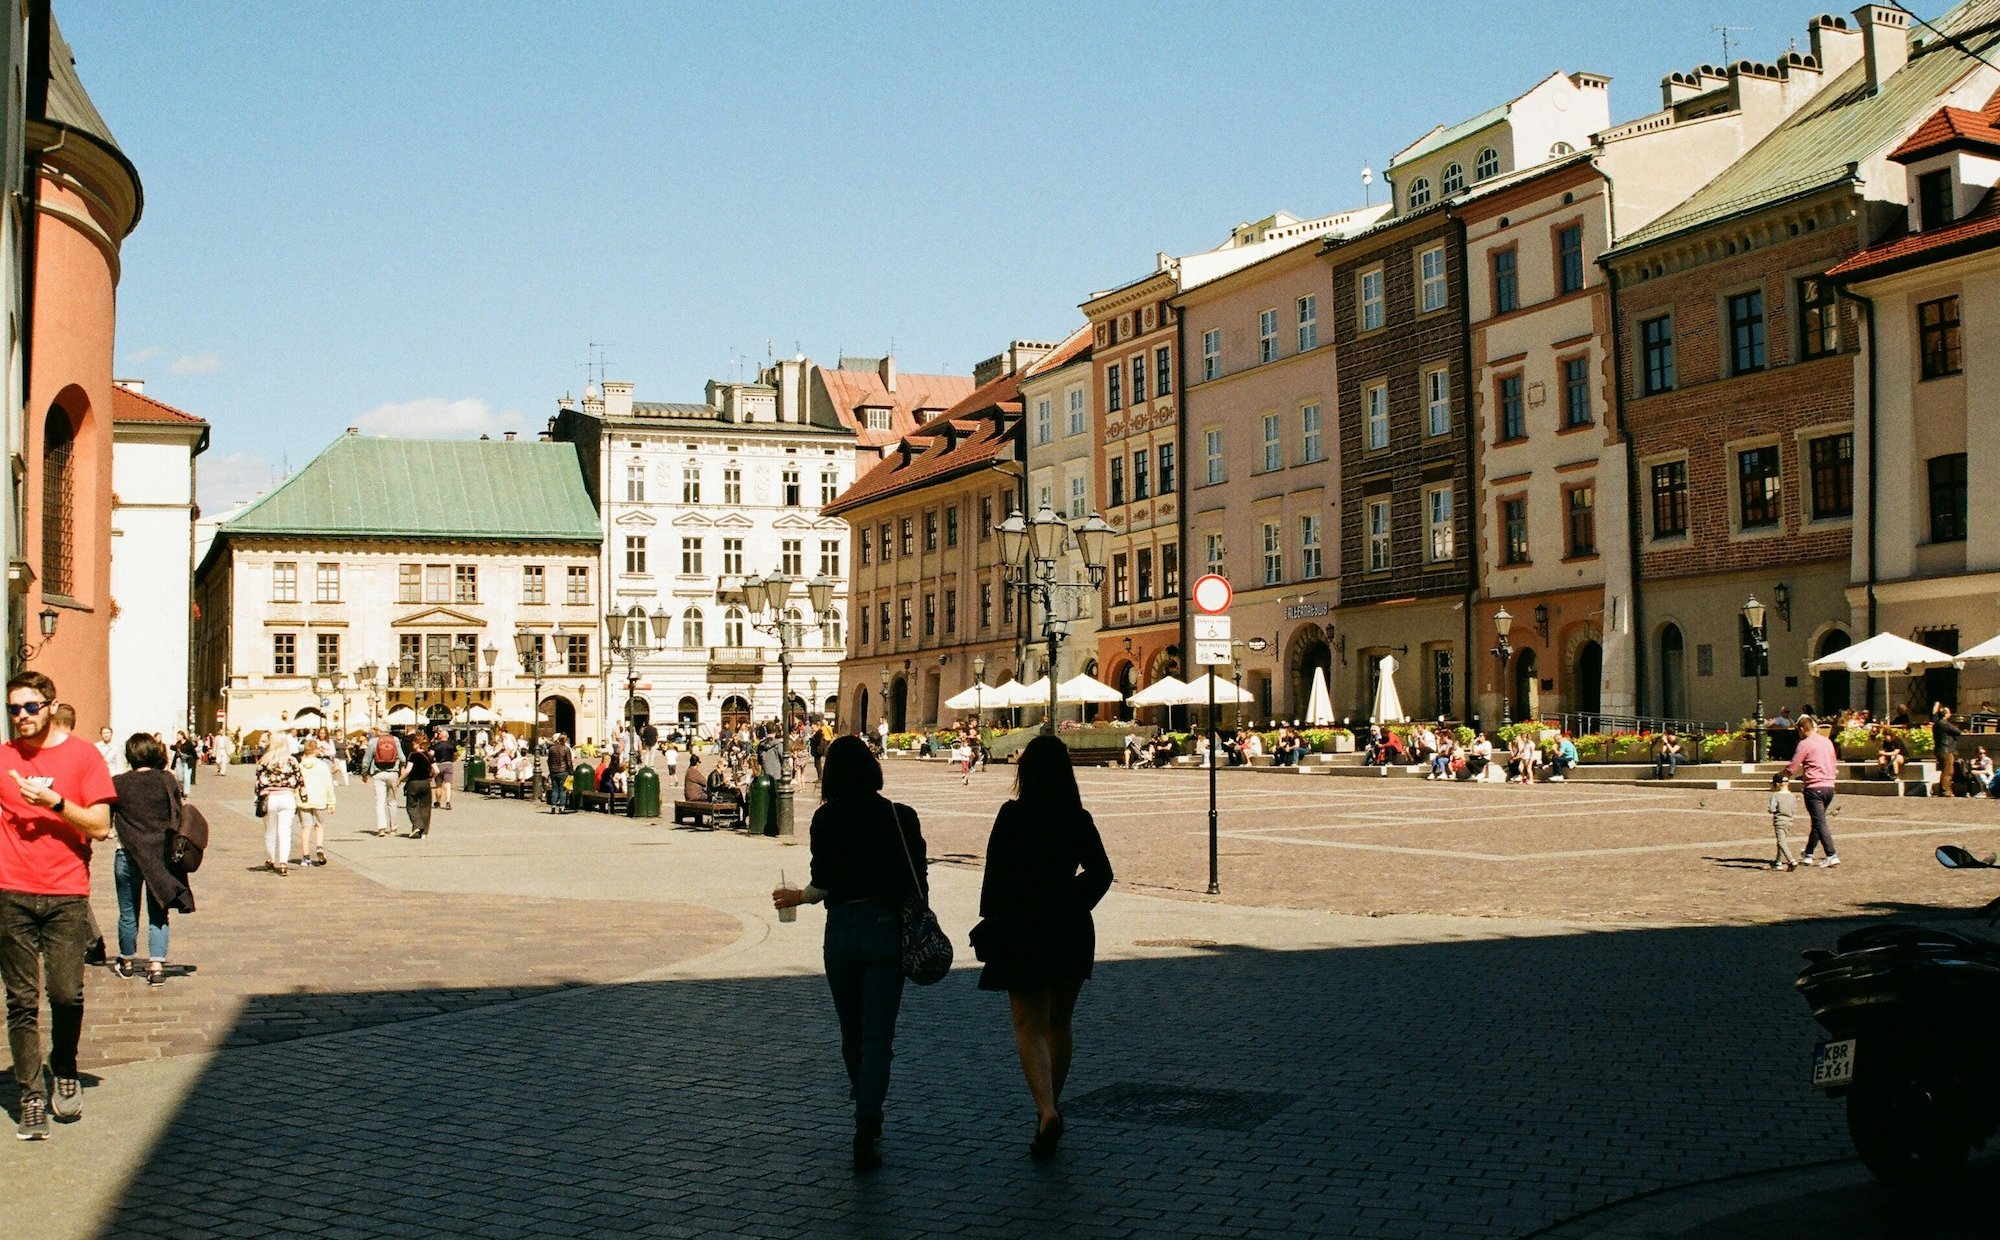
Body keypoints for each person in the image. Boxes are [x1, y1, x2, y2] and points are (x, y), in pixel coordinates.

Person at [771, 736, 929, 1173]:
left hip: (841, 932)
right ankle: (867, 1121)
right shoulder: (901, 817)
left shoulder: (826, 819)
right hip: (885, 930)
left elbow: (823, 884)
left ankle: (864, 1107)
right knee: (879, 1036)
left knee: (851, 1032)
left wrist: (796, 897)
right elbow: (919, 879)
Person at [970, 735, 1114, 1161]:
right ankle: (1051, 1106)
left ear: (1025, 772)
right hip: (1070, 930)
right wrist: (1070, 900)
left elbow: (994, 876)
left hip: (1022, 928)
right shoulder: (1077, 816)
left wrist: (994, 919)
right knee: (1060, 1023)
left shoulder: (1012, 815)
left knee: (1028, 1026)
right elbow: (1102, 873)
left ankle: (1046, 1108)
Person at [0, 670, 117, 1139]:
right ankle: (30, 1094)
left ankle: (64, 1066)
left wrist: (53, 803)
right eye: (14, 709)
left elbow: (100, 826)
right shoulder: (3, 757)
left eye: (30, 707)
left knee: (66, 994)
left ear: (50, 705)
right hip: (11, 892)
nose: (22, 717)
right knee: (21, 1000)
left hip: (67, 893)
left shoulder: (84, 756)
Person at [110, 734, 193, 984]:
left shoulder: (118, 782)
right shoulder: (166, 779)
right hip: (159, 856)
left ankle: (126, 961)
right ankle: (156, 964)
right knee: (158, 910)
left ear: (130, 755)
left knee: (127, 911)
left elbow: (107, 819)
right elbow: (177, 813)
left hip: (126, 854)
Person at [1786, 716, 1839, 868]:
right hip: (1829, 786)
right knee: (1818, 821)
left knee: (1820, 822)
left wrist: (1783, 776)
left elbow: (1793, 765)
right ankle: (1808, 854)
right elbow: (1833, 761)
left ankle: (1831, 854)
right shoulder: (1826, 741)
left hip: (1814, 787)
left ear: (1801, 729)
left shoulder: (1804, 744)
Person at [256, 734, 303, 876]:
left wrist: (258, 799)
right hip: (287, 797)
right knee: (285, 832)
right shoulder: (292, 760)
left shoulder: (264, 761)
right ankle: (283, 862)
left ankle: (271, 859)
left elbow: (258, 783)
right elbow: (300, 780)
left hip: (270, 797)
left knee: (270, 831)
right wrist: (303, 796)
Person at [295, 736, 337, 868]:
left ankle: (305, 857)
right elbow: (328, 784)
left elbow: (295, 784)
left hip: (303, 800)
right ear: (315, 750)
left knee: (306, 828)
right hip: (319, 799)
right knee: (319, 825)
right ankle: (319, 847)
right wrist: (331, 802)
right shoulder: (322, 766)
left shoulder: (299, 766)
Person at [366, 727, 403, 835]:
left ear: (379, 730)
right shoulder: (395, 740)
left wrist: (364, 773)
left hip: (378, 773)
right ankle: (393, 828)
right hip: (393, 773)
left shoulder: (374, 741)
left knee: (380, 801)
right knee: (392, 801)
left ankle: (381, 828)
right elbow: (402, 758)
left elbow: (367, 759)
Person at [400, 735, 435, 839]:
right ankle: (424, 833)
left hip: (414, 783)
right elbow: (436, 770)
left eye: (414, 743)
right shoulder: (429, 755)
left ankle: (418, 825)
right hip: (426, 783)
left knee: (411, 806)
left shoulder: (413, 755)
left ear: (417, 743)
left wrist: (400, 779)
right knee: (425, 807)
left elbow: (408, 770)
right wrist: (431, 776)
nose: (412, 745)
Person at [1768, 771, 1801, 871]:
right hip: (1789, 821)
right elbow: (1794, 809)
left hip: (1779, 821)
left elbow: (1772, 809)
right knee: (1781, 841)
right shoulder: (1792, 796)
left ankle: (1791, 860)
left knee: (1781, 842)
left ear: (1777, 784)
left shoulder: (1775, 795)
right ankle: (1778, 862)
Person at [1933, 704, 1962, 799]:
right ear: (1946, 714)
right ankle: (1945, 790)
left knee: (1946, 770)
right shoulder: (1944, 723)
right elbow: (1957, 731)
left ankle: (1945, 789)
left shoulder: (1936, 724)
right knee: (1948, 771)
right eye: (1949, 712)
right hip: (1946, 750)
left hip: (1939, 749)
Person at [546, 733, 573, 814]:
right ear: (565, 740)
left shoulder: (552, 749)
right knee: (563, 790)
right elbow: (569, 762)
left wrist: (550, 770)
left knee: (554, 789)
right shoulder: (566, 749)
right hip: (563, 772)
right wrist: (571, 772)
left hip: (554, 772)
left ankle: (553, 807)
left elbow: (549, 761)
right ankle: (561, 807)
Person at [432, 730, 457, 811]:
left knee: (438, 785)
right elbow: (455, 755)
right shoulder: (451, 745)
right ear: (447, 736)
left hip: (438, 765)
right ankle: (448, 802)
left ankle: (438, 802)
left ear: (440, 736)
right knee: (448, 784)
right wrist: (452, 760)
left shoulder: (436, 745)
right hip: (448, 764)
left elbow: (431, 755)